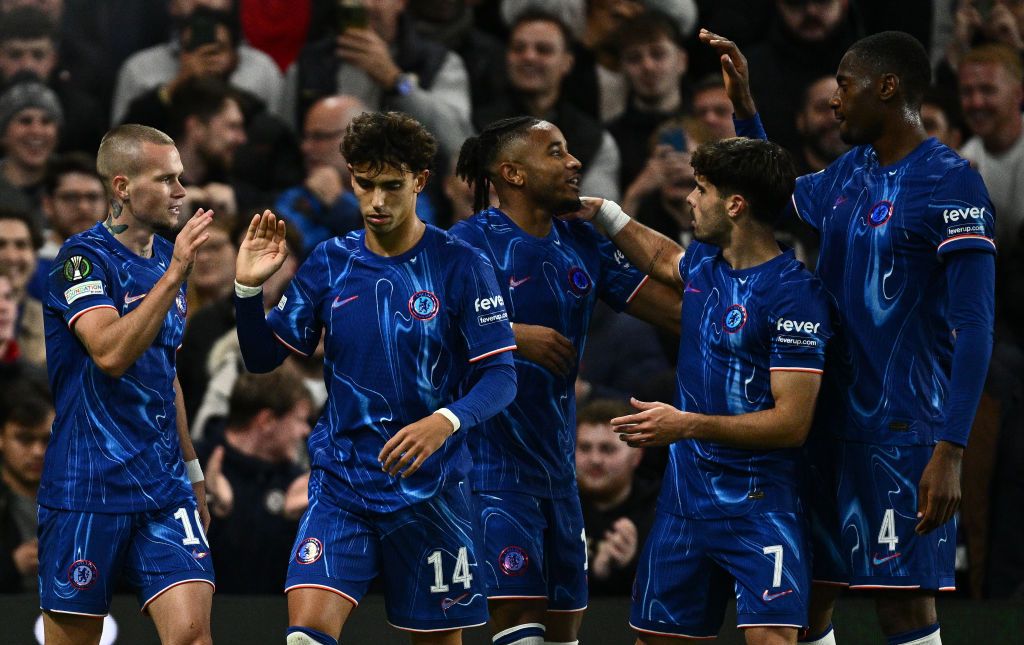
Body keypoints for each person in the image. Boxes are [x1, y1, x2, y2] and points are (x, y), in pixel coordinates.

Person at [703, 28, 997, 645]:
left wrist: (952, 449)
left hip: (904, 431)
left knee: (903, 607)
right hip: (827, 424)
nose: (835, 100)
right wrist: (746, 107)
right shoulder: (850, 171)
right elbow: (773, 198)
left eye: (844, 85)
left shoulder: (951, 180)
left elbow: (975, 327)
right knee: (808, 600)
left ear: (886, 87)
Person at [232, 111, 517, 645]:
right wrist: (248, 293)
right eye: (364, 184)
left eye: (392, 186)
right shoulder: (329, 263)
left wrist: (444, 421)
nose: (376, 201)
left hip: (433, 494)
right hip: (343, 484)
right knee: (304, 637)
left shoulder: (461, 264)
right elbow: (263, 359)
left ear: (420, 181)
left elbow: (502, 377)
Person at [575, 136, 831, 644]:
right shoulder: (706, 268)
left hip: (760, 506)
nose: (691, 199)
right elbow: (664, 259)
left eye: (702, 188)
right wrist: (604, 212)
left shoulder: (795, 296)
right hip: (684, 507)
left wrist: (684, 424)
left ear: (734, 205)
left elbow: (792, 423)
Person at [450, 116, 681, 645]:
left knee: (563, 632)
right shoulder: (466, 244)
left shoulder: (582, 240)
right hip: (490, 468)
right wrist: (511, 335)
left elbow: (681, 311)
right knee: (519, 623)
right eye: (555, 152)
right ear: (512, 173)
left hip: (558, 473)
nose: (575, 162)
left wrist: (613, 218)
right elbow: (419, 329)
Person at [38, 124, 215, 644]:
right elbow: (111, 353)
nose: (181, 191)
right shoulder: (80, 261)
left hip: (164, 487)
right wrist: (177, 272)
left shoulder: (165, 261)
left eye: (181, 178)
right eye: (166, 180)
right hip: (86, 487)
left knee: (190, 634)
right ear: (122, 188)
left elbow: (167, 375)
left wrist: (193, 472)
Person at [196, 366, 312, 594]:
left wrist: (296, 522)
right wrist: (215, 512)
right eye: (300, 420)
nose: (306, 431)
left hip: (271, 622)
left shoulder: (298, 486)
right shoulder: (193, 469)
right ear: (267, 421)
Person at [575, 398, 658, 597]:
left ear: (637, 455)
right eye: (585, 448)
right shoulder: (556, 508)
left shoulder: (661, 512)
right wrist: (597, 575)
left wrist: (632, 565)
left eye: (607, 449)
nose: (595, 460)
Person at [0, 370, 51, 593]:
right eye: (24, 439)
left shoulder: (83, 497)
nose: (38, 452)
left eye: (48, 440)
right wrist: (12, 565)